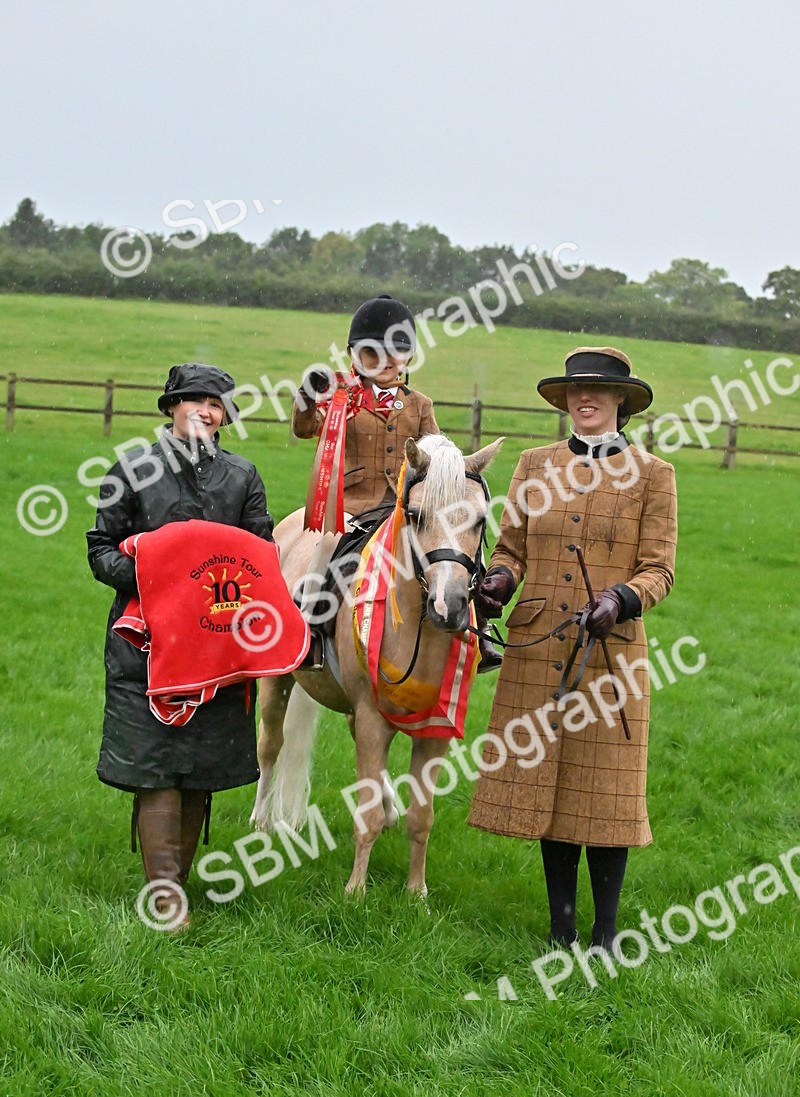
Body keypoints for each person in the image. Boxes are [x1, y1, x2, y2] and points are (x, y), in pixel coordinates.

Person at [468, 346, 678, 952]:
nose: (584, 399)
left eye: (598, 391)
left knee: (607, 791)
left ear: (621, 402)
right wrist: (500, 582)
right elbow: (510, 550)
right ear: (563, 401)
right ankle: (562, 929)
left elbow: (659, 570)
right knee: (549, 791)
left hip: (611, 655)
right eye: (574, 391)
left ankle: (605, 933)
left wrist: (620, 599)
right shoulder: (534, 465)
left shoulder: (653, 475)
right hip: (540, 652)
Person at [87, 362, 274, 928]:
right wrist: (159, 583)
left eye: (215, 403)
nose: (205, 410)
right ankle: (165, 895)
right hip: (144, 647)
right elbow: (101, 550)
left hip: (217, 648)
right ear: (171, 408)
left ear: (224, 416)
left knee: (200, 765)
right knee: (158, 765)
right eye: (193, 400)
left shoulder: (242, 477)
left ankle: (176, 887)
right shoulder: (132, 468)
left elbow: (260, 557)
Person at [292, 293, 502, 671]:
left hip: (405, 511)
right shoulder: (340, 397)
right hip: (353, 511)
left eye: (397, 352)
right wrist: (308, 395)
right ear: (353, 354)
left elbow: (436, 451)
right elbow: (305, 427)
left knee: (460, 547)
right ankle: (310, 628)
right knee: (326, 549)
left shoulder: (420, 403)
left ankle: (481, 630)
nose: (386, 362)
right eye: (373, 353)